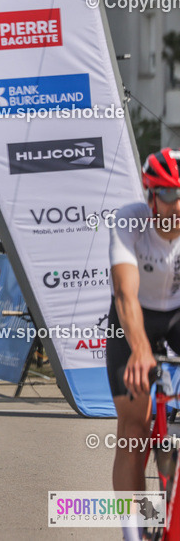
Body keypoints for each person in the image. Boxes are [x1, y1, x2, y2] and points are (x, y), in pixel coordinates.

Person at [108, 149, 180, 541]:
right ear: (151, 195)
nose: (177, 204)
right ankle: (132, 532)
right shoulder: (129, 221)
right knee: (134, 428)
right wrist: (139, 349)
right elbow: (124, 294)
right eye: (168, 194)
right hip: (134, 318)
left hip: (177, 314)